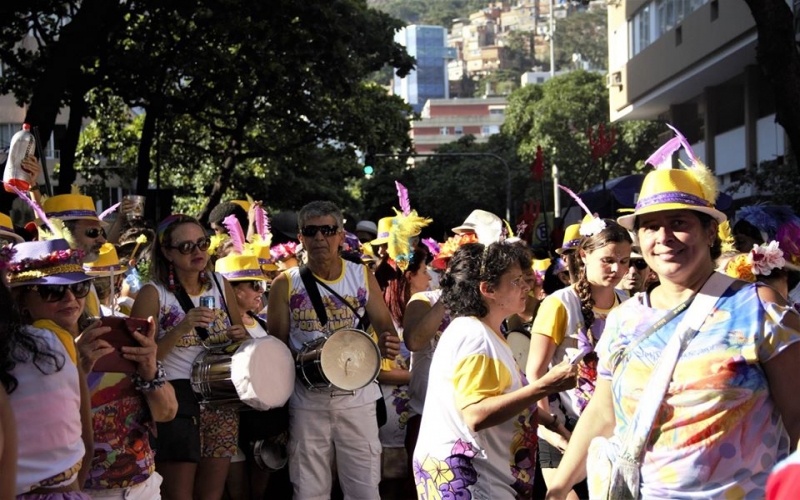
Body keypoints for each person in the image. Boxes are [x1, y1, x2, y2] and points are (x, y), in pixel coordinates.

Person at [545, 129, 800, 499]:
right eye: (650, 226)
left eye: (678, 223)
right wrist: (556, 489)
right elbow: (601, 415)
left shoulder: (761, 307)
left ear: (710, 231)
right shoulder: (623, 318)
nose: (662, 237)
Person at [413, 242, 577, 499]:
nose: (526, 285)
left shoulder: (482, 331)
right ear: (488, 289)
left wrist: (553, 424)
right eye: (515, 281)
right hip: (471, 478)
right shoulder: (475, 335)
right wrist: (546, 385)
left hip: (479, 475)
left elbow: (505, 395)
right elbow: (475, 414)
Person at [267, 200, 402, 499]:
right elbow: (275, 348)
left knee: (364, 488)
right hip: (307, 401)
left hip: (358, 398)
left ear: (341, 236)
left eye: (328, 230)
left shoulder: (361, 276)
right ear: (300, 238)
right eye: (311, 231)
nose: (319, 238)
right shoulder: (284, 284)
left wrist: (388, 342)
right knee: (309, 490)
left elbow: (385, 326)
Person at [131, 214, 246, 500]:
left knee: (211, 494)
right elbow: (138, 359)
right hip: (176, 399)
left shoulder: (220, 284)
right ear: (167, 253)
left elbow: (240, 339)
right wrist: (183, 325)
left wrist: (241, 338)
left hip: (220, 397)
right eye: (186, 247)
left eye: (202, 243)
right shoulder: (153, 294)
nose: (197, 252)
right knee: (178, 494)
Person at [525, 216, 632, 499]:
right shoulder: (559, 303)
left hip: (611, 432)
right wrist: (552, 429)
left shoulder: (629, 304)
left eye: (624, 261)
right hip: (562, 429)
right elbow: (535, 373)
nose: (616, 269)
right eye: (608, 260)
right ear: (584, 254)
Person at [4, 239, 95, 499]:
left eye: (78, 287)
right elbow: (86, 446)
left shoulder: (61, 343)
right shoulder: (52, 340)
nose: (70, 298)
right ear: (21, 299)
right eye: (51, 292)